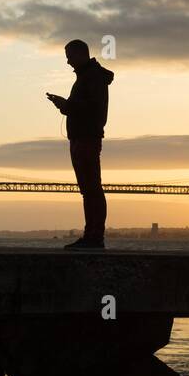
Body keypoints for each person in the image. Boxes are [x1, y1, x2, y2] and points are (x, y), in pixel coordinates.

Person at [46, 40, 114, 250]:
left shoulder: (92, 77)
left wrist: (66, 105)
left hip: (87, 138)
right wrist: (66, 105)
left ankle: (94, 237)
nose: (67, 61)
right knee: (89, 190)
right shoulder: (88, 77)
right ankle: (91, 235)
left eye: (69, 56)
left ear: (81, 54)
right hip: (81, 138)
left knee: (92, 189)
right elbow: (85, 107)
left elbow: (91, 108)